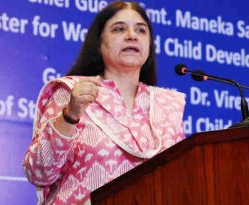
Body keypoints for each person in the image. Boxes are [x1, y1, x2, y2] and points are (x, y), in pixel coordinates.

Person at [22, 1, 186, 204]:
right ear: (99, 44)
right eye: (119, 29)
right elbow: (39, 172)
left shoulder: (166, 105)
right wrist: (69, 115)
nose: (132, 35)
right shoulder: (71, 93)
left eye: (141, 30)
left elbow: (182, 179)